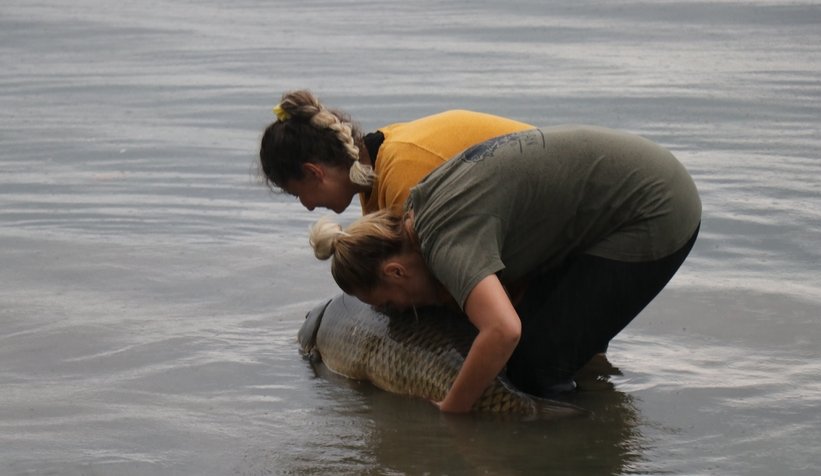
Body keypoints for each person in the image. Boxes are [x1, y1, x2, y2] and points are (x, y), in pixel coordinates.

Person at [308, 125, 702, 413]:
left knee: (536, 368)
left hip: (654, 210)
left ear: (396, 272)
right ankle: (591, 404)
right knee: (542, 344)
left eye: (390, 304)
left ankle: (573, 439)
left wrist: (453, 408)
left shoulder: (447, 244)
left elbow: (503, 331)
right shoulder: (418, 208)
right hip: (632, 184)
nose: (399, 311)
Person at [259, 90, 533, 214]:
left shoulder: (402, 173)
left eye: (298, 194)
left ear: (313, 172)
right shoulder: (372, 179)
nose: (307, 206)